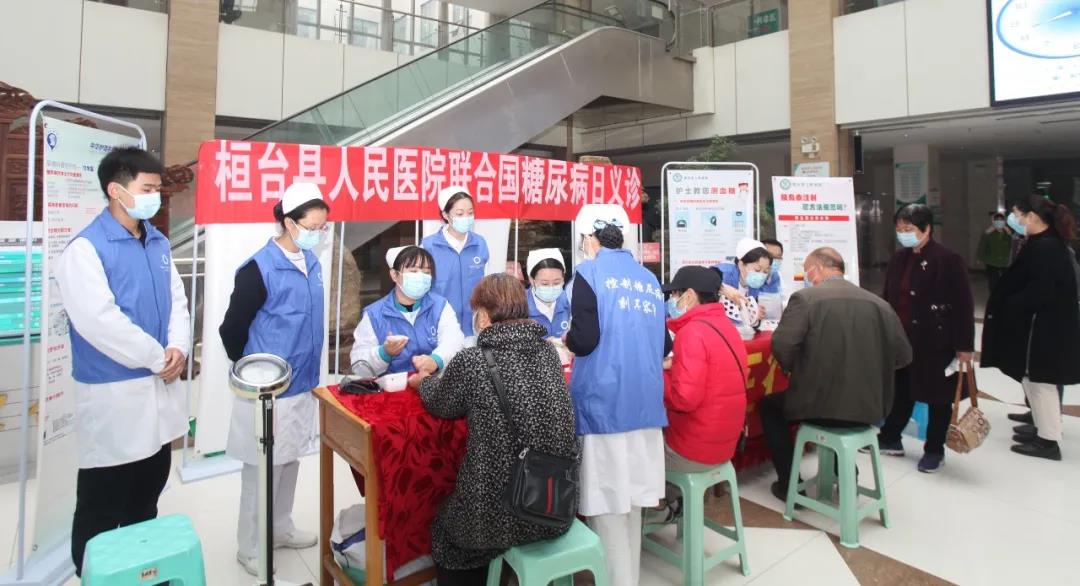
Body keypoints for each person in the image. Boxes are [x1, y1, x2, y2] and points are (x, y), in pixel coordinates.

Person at [56, 147, 190, 576]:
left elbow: (177, 299)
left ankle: (139, 573)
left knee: (146, 496)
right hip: (114, 395)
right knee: (102, 503)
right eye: (147, 189)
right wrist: (156, 357)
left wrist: (179, 346)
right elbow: (99, 321)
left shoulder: (157, 241)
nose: (156, 197)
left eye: (158, 189)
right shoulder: (85, 249)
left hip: (159, 388)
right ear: (116, 190)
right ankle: (94, 576)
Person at [415, 274, 577, 585]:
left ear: (485, 316)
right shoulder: (547, 353)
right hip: (553, 504)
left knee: (447, 532)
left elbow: (441, 404)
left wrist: (423, 382)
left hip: (494, 516)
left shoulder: (473, 361)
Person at [219, 183, 328, 575]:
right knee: (261, 468)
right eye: (312, 227)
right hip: (270, 391)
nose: (318, 233)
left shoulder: (311, 262)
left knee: (289, 460)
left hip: (302, 384)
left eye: (323, 227)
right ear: (289, 222)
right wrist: (256, 374)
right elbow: (231, 330)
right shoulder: (258, 269)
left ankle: (280, 528)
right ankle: (250, 546)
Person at [564, 205, 670, 586]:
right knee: (632, 505)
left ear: (590, 239)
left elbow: (584, 340)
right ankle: (630, 579)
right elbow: (665, 343)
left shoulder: (588, 274)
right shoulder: (647, 278)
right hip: (644, 408)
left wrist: (567, 339)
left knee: (608, 506)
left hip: (605, 406)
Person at [760, 248, 912, 502]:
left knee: (769, 407)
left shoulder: (806, 299)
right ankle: (846, 476)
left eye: (806, 271)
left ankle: (789, 484)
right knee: (840, 410)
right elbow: (904, 356)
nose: (806, 277)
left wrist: (797, 369)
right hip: (871, 407)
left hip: (818, 405)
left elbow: (782, 345)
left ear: (818, 269)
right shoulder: (880, 304)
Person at [874, 204, 974, 473]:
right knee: (902, 390)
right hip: (903, 339)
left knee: (938, 397)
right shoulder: (899, 259)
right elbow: (888, 297)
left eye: (909, 229)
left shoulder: (947, 259)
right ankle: (890, 438)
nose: (903, 233)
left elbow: (963, 305)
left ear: (927, 229)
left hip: (936, 341)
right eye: (899, 229)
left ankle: (934, 450)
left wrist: (964, 346)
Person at [981, 196, 1080, 461]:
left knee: (1042, 383)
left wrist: (1011, 304)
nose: (1015, 220)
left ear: (1033, 217)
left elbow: (1040, 290)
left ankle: (1048, 442)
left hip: (1044, 328)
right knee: (1035, 381)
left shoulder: (1047, 247)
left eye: (1018, 215)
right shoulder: (1043, 243)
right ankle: (1041, 428)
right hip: (1040, 326)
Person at [652, 266, 747, 523]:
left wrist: (657, 374)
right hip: (725, 442)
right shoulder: (726, 326)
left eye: (675, 295)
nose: (672, 301)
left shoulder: (691, 332)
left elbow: (683, 399)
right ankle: (675, 502)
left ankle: (660, 510)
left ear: (690, 296)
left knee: (637, 453)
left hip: (694, 450)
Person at [350, 245, 464, 385]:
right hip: (392, 390)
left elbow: (454, 340)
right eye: (413, 271)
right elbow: (358, 365)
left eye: (426, 272)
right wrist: (384, 353)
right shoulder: (374, 314)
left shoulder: (440, 306)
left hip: (433, 387)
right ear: (394, 275)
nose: (421, 277)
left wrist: (436, 360)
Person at [422, 186, 490, 337]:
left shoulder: (480, 243)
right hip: (441, 325)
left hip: (475, 325)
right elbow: (422, 290)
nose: (466, 217)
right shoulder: (429, 246)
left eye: (470, 213)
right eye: (460, 213)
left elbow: (488, 285)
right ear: (445, 215)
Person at [713, 237, 771, 327]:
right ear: (741, 264)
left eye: (765, 271)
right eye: (757, 269)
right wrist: (722, 287)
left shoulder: (754, 287)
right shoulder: (723, 273)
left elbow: (746, 319)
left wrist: (754, 315)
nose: (761, 275)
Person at [525, 248, 571, 339]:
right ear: (531, 280)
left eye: (556, 283)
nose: (551, 288)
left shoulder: (570, 300)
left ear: (563, 278)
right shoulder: (519, 305)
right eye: (545, 284)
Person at [977, 212, 1013, 293]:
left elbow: (1011, 246)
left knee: (1005, 282)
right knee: (993, 281)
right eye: (997, 220)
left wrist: (1009, 235)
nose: (999, 222)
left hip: (1004, 262)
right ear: (994, 221)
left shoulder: (1007, 233)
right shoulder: (988, 233)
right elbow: (982, 246)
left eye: (1001, 220)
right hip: (991, 261)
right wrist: (979, 258)